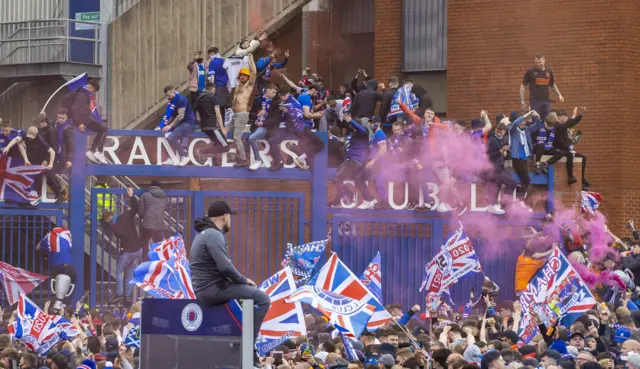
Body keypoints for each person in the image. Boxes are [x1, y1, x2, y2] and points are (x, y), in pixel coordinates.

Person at [190, 200, 270, 368]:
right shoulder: (213, 234)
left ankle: (237, 341)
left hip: (206, 289)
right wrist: (243, 280)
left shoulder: (203, 234)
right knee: (262, 299)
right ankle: (248, 349)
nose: (231, 221)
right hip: (214, 289)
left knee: (245, 299)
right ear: (225, 217)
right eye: (230, 217)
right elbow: (225, 267)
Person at [103, 187, 142, 305]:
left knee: (119, 272)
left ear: (109, 218)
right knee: (130, 273)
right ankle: (128, 297)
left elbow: (119, 234)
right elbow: (135, 208)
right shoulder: (126, 215)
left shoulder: (114, 227)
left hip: (128, 251)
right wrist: (131, 196)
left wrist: (111, 224)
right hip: (138, 249)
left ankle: (119, 295)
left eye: (107, 221)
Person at [21, 126, 65, 203]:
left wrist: (50, 163)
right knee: (35, 177)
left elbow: (52, 152)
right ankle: (36, 195)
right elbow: (16, 140)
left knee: (48, 175)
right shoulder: (24, 135)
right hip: (33, 160)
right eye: (29, 137)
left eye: (32, 137)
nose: (30, 139)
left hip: (44, 158)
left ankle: (60, 193)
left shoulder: (40, 140)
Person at [70, 79, 108, 164]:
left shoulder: (83, 94)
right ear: (90, 87)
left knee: (103, 129)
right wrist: (79, 123)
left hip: (86, 120)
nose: (94, 93)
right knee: (104, 129)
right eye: (94, 91)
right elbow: (74, 109)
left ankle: (94, 151)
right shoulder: (82, 96)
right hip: (84, 121)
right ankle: (98, 152)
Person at [230, 54, 257, 168]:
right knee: (227, 134)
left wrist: (251, 59)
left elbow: (254, 73)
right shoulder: (237, 86)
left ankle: (243, 159)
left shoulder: (248, 86)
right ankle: (237, 155)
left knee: (236, 137)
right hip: (234, 114)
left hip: (242, 115)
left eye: (245, 76)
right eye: (241, 75)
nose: (243, 77)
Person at [161, 85, 198, 166]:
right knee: (166, 135)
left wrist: (170, 126)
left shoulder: (181, 99)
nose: (167, 98)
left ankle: (185, 156)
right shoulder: (171, 101)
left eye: (168, 95)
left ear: (173, 91)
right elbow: (172, 116)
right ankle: (173, 158)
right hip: (181, 124)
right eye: (166, 96)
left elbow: (181, 116)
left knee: (171, 137)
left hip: (189, 123)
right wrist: (162, 125)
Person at [520, 54, 563, 120]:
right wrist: (522, 101)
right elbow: (522, 86)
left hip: (546, 100)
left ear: (544, 61)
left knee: (546, 120)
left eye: (540, 62)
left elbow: (552, 85)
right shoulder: (530, 72)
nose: (538, 64)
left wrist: (559, 95)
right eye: (536, 62)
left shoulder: (549, 71)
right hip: (535, 101)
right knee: (536, 120)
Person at [195, 81, 229, 163]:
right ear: (213, 90)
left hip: (204, 127)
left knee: (217, 144)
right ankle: (201, 151)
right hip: (213, 127)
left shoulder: (199, 98)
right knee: (225, 147)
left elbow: (198, 116)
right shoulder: (213, 97)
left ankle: (208, 156)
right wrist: (223, 128)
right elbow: (218, 115)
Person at [248, 83, 278, 170]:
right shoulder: (258, 100)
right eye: (273, 92)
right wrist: (258, 115)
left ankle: (258, 160)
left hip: (266, 127)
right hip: (255, 126)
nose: (274, 94)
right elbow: (250, 115)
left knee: (251, 138)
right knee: (248, 141)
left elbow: (275, 119)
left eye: (275, 93)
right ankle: (257, 159)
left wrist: (263, 123)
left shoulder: (275, 102)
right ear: (267, 90)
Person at [138, 180, 167, 260]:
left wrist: (144, 217)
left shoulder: (145, 195)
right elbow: (163, 209)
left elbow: (141, 212)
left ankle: (145, 260)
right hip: (159, 225)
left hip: (147, 224)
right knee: (158, 244)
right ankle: (157, 261)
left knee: (144, 242)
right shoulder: (164, 197)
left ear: (150, 186)